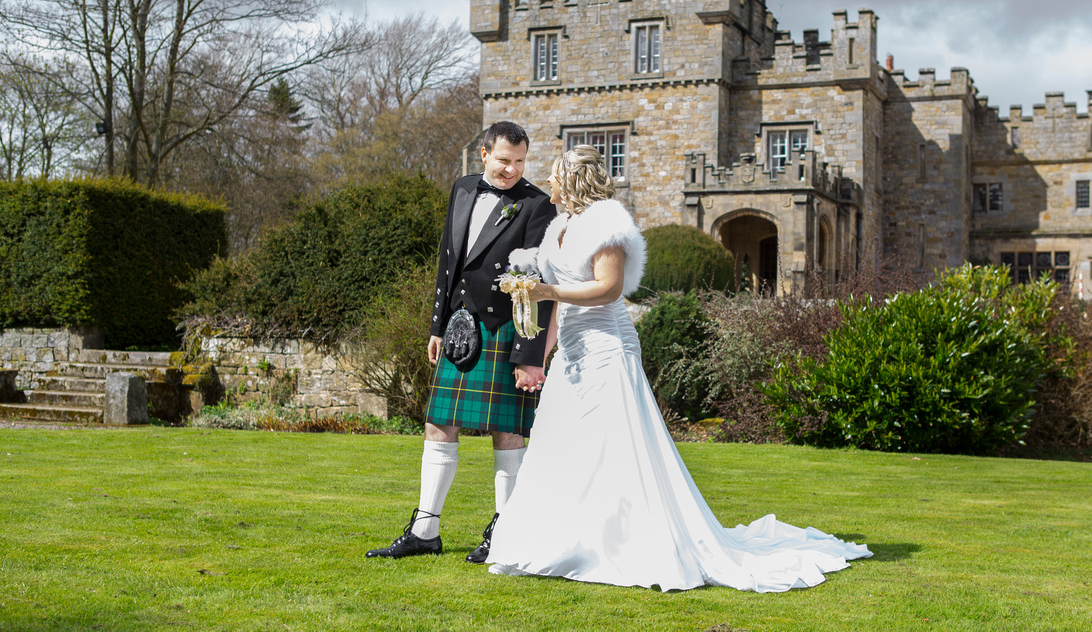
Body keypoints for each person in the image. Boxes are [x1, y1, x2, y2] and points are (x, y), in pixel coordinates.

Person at [485, 146, 871, 591]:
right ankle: (566, 539)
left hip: (608, 346)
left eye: (554, 176)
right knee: (563, 441)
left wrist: (548, 289)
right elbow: (554, 307)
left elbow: (609, 289)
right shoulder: (557, 229)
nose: (547, 183)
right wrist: (539, 355)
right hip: (572, 348)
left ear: (572, 179)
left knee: (615, 441)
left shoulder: (607, 223)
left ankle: (624, 543)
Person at [366, 121, 557, 563]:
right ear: (485, 154)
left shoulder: (536, 205)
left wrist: (529, 356)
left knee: (507, 432)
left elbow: (536, 285)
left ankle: (505, 530)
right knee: (439, 423)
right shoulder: (463, 189)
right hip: (460, 327)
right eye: (504, 160)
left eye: (520, 161)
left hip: (505, 327)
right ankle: (424, 530)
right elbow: (446, 262)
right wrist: (437, 325)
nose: (512, 169)